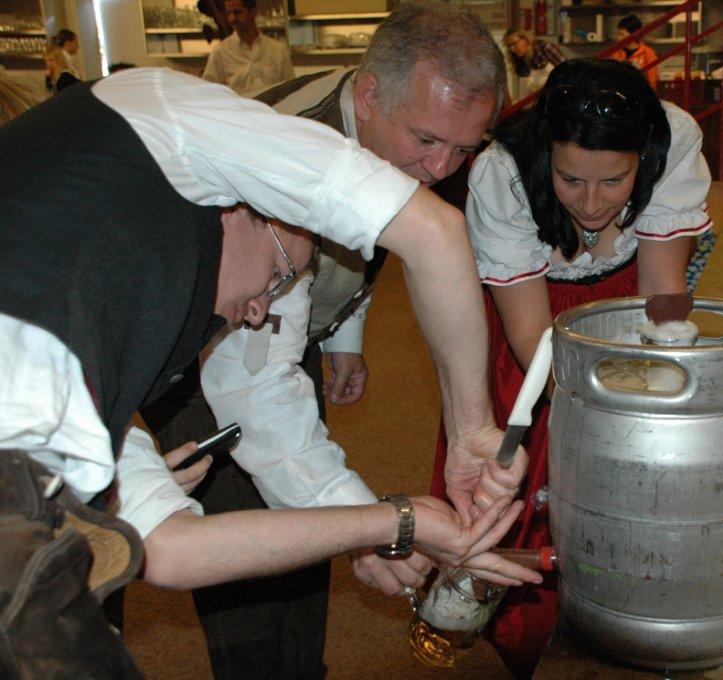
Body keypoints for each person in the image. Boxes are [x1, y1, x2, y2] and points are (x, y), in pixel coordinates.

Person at [0, 66, 537, 677]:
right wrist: (470, 436)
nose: (259, 310)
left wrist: (382, 525)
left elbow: (172, 549)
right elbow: (434, 229)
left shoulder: (120, 311)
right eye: (279, 274)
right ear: (237, 208)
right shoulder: (167, 118)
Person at [139, 4, 510, 676]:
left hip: (281, 322)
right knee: (239, 549)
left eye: (464, 149)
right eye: (427, 140)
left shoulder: (385, 119)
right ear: (367, 96)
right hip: (196, 344)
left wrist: (345, 326)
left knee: (307, 546)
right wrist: (374, 524)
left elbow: (358, 242)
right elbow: (255, 386)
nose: (440, 168)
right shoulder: (280, 164)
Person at [430, 58, 715, 678]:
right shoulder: (503, 174)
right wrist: (599, 418)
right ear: (546, 157)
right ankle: (525, 640)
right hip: (534, 336)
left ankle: (629, 626)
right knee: (524, 493)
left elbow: (661, 301)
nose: (590, 203)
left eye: (614, 181)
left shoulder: (675, 140)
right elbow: (532, 336)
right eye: (569, 179)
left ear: (644, 157)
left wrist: (653, 398)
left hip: (624, 310)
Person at [202, 0, 294, 95]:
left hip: (272, 104)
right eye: (229, 13)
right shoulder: (221, 52)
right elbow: (209, 92)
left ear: (253, 12)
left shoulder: (277, 50)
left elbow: (291, 89)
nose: (232, 18)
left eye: (237, 12)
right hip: (238, 104)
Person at [504, 28, 565, 98]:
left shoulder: (544, 48)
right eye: (509, 46)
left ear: (525, 39)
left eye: (514, 43)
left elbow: (568, 71)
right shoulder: (519, 62)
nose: (512, 49)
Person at [610, 14, 660, 92]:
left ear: (633, 34)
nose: (619, 38)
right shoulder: (616, 52)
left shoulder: (648, 52)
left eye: (622, 34)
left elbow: (652, 80)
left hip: (640, 93)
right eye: (618, 34)